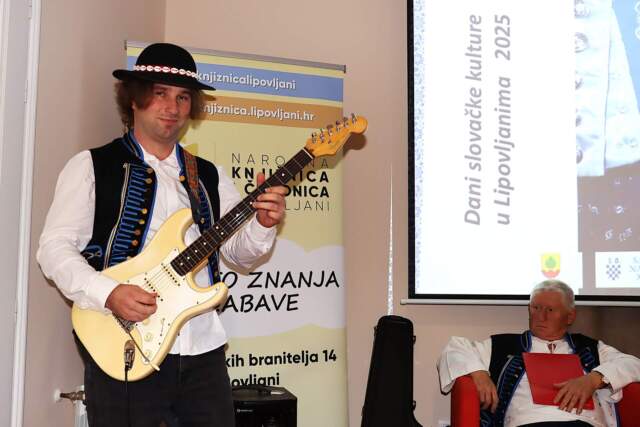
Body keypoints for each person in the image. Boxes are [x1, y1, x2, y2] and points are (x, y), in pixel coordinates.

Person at [37, 42, 287, 427]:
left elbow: (239, 256)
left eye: (183, 97)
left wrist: (262, 225)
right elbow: (54, 249)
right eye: (160, 93)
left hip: (202, 349)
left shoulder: (210, 175)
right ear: (134, 99)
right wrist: (109, 293)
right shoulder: (92, 166)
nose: (172, 107)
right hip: (124, 345)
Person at [437, 280, 640, 427]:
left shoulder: (590, 348)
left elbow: (633, 364)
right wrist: (479, 373)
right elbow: (455, 348)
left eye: (550, 310)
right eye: (535, 308)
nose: (540, 316)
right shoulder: (503, 345)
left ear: (570, 316)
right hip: (527, 423)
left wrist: (593, 379)